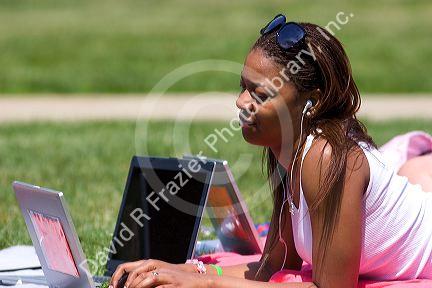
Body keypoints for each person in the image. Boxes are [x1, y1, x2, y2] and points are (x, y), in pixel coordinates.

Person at [109, 14, 432, 288]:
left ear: (313, 101)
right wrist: (175, 270)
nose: (241, 102)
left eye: (260, 94)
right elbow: (273, 268)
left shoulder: (328, 156)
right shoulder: (288, 149)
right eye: (242, 86)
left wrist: (203, 283)